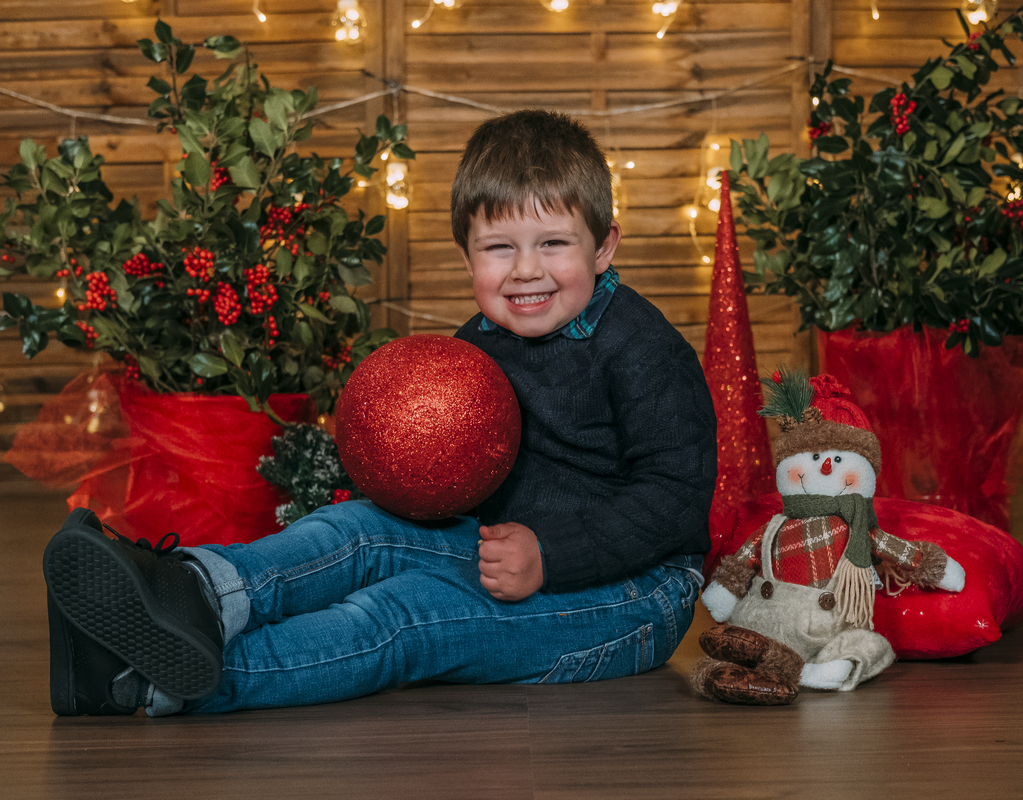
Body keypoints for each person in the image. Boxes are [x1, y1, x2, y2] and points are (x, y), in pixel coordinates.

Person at [42, 109, 717, 716]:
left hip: (632, 596)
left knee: (402, 616)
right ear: (467, 257)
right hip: (497, 543)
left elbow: (675, 501)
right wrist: (404, 473)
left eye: (554, 244)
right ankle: (195, 591)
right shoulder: (474, 345)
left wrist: (551, 555)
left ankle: (141, 676)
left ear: (603, 247)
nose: (525, 271)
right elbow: (447, 472)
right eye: (500, 247)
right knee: (356, 530)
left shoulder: (645, 351)